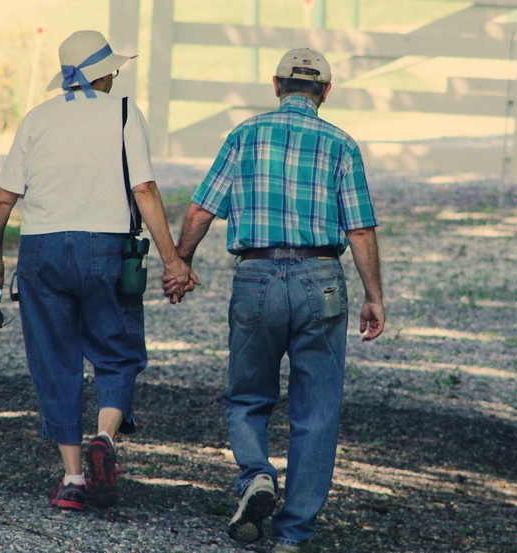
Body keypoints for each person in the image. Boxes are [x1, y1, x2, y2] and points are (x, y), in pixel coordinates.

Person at [171, 48, 385, 553]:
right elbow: (359, 228)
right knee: (318, 409)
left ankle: (255, 477)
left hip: (257, 275)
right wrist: (374, 296)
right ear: (325, 92)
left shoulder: (244, 136)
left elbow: (202, 210)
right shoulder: (341, 144)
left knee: (248, 395)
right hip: (321, 279)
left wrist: (180, 263)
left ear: (276, 86)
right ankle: (293, 535)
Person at [0, 30, 195, 512]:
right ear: (102, 73)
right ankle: (105, 436)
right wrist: (172, 260)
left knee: (54, 361)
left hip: (42, 250)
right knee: (116, 351)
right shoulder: (122, 113)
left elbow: (2, 198)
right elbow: (144, 189)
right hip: (105, 246)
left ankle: (74, 477)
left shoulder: (36, 119)